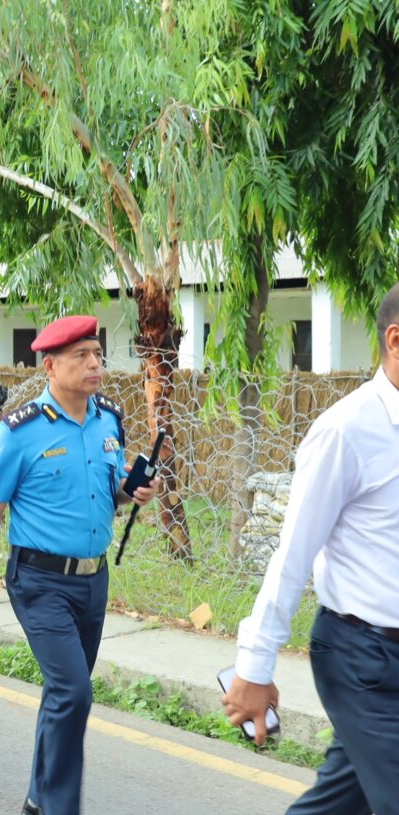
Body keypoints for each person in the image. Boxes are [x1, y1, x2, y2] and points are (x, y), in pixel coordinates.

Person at [0, 315, 158, 815]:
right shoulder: (19, 432)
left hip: (93, 582)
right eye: (81, 356)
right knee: (74, 692)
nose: (95, 363)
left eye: (97, 353)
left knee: (63, 696)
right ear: (49, 366)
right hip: (39, 581)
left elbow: (108, 491)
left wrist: (132, 489)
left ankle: (37, 798)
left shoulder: (109, 419)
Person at [224, 282, 399, 815]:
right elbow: (292, 553)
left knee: (341, 802)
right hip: (362, 657)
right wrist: (254, 665)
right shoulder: (346, 431)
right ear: (396, 340)